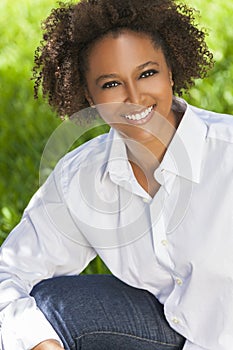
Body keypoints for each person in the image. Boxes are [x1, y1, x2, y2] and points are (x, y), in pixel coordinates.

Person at [0, 0, 233, 349]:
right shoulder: (81, 177)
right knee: (48, 304)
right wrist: (39, 342)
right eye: (111, 84)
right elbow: (10, 273)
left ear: (171, 72)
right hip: (166, 333)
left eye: (147, 73)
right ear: (88, 96)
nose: (134, 97)